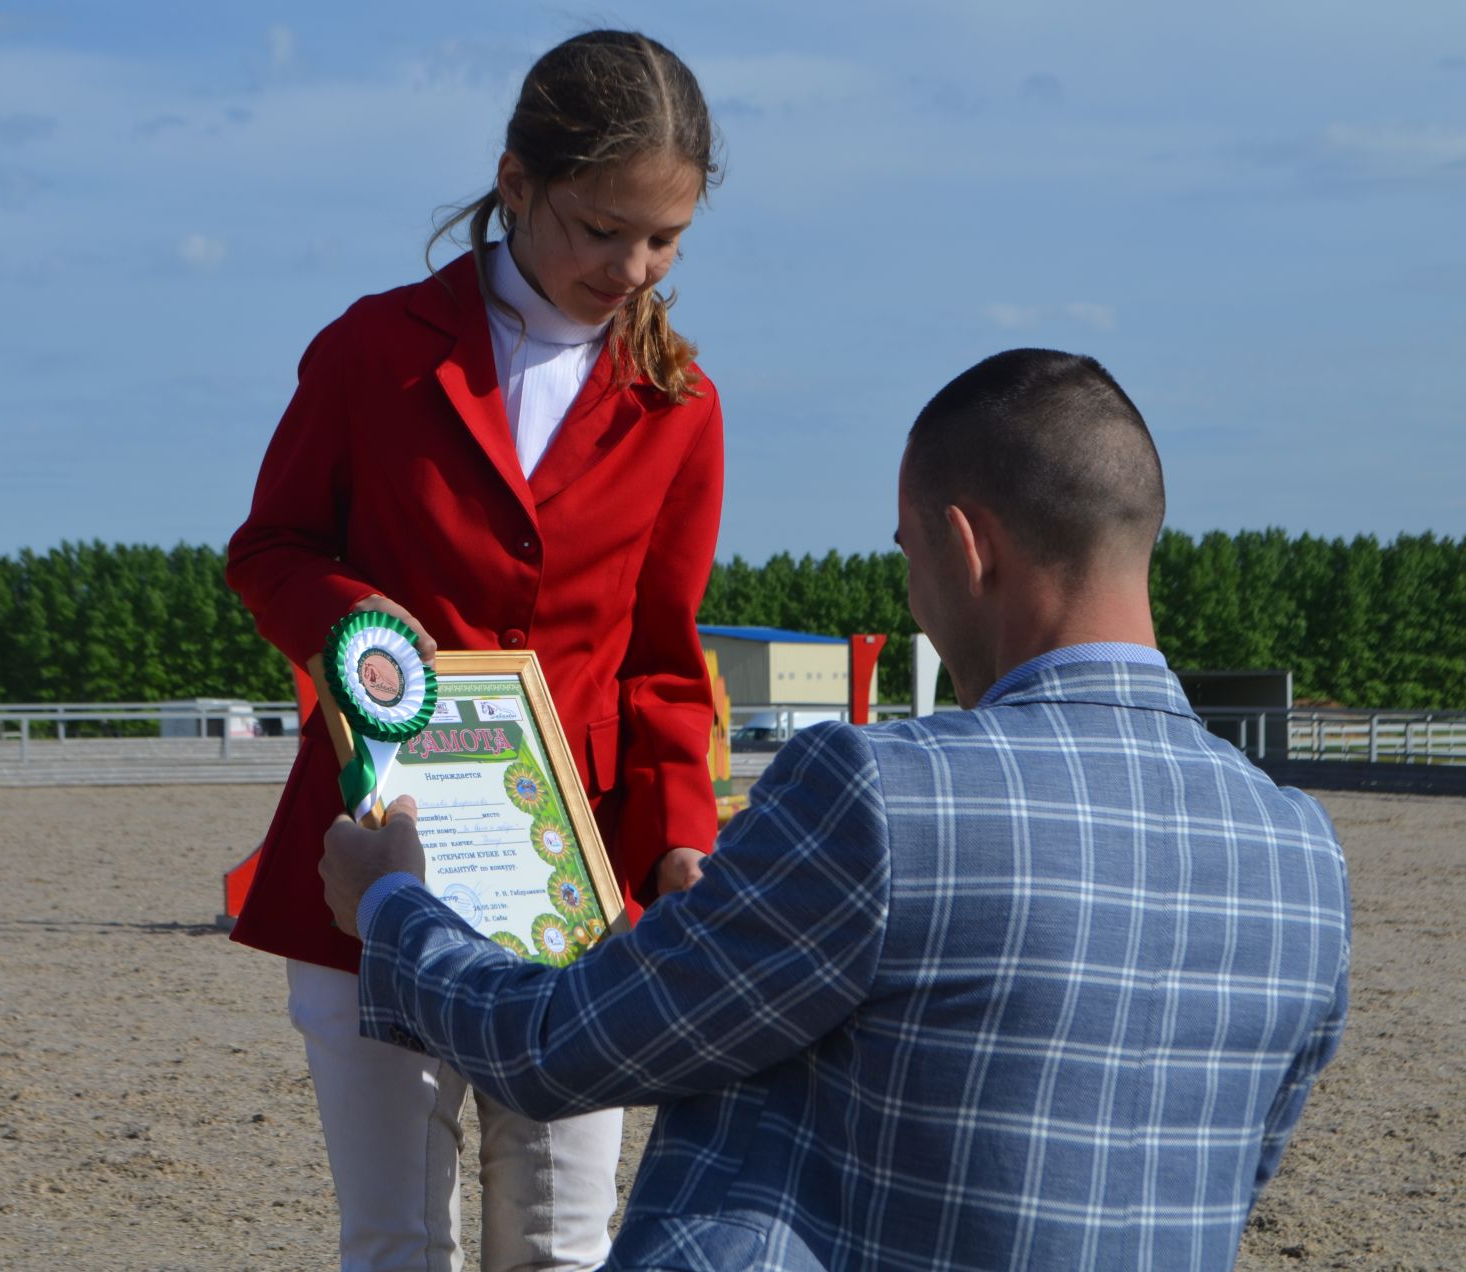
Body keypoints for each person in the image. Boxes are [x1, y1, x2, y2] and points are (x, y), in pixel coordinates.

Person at [320, 349, 1352, 1271]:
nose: (914, 591)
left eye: (907, 552)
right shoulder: (1305, 860)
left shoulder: (880, 793)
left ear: (967, 545)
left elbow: (552, 1049)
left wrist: (393, 907)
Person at [225, 30, 726, 1271]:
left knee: (561, 1245)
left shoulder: (683, 404)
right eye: (604, 229)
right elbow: (270, 545)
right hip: (372, 861)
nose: (634, 267)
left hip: (577, 891)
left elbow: (664, 657)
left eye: (664, 240)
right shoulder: (370, 350)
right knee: (395, 1242)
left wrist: (680, 838)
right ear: (515, 184)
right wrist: (359, 628)